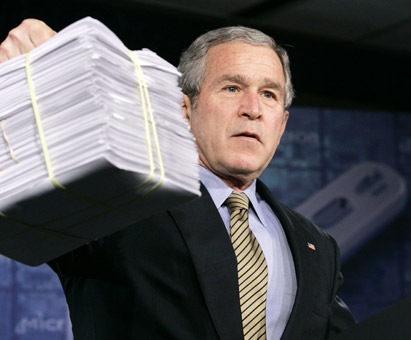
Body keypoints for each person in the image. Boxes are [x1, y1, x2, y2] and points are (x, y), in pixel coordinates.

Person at [0, 19, 355, 340]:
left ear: (282, 124)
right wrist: (34, 88)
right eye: (232, 88)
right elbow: (28, 192)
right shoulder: (126, 200)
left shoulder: (317, 245)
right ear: (185, 109)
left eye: (269, 94)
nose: (253, 108)